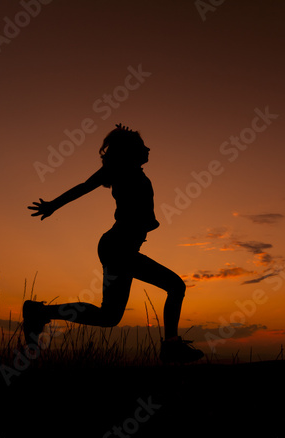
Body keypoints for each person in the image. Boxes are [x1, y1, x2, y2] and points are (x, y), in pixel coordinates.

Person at [25, 124, 203, 363]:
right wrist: (52, 205)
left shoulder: (130, 171)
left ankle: (40, 312)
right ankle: (171, 346)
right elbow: (83, 187)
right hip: (119, 247)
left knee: (109, 316)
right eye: (142, 146)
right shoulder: (119, 170)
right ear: (130, 151)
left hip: (119, 247)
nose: (148, 148)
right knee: (175, 286)